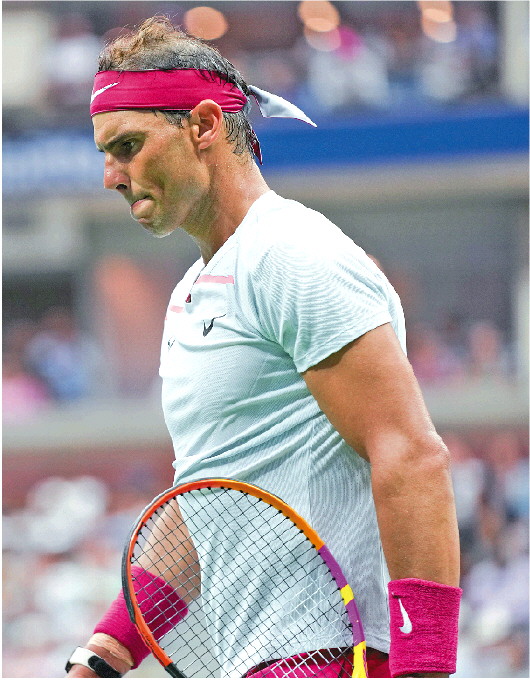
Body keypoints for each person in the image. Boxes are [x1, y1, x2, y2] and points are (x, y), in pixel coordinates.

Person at [67, 16, 461, 679]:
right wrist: (105, 653)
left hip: (332, 654)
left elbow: (412, 454)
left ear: (203, 126)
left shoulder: (292, 254)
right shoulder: (190, 293)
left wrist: (424, 668)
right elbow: (204, 501)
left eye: (128, 146)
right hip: (260, 662)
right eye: (106, 153)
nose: (112, 176)